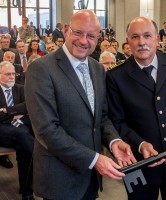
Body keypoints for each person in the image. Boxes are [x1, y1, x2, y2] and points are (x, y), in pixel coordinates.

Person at [24, 9, 136, 199]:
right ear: (67, 29)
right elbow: (46, 130)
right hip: (59, 181)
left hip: (90, 179)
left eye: (91, 36)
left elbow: (101, 117)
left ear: (98, 38)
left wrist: (114, 141)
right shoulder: (41, 69)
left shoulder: (97, 69)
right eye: (78, 32)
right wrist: (94, 159)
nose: (84, 41)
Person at [106, 16, 166, 200]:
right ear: (128, 41)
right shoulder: (116, 76)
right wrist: (141, 144)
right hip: (139, 163)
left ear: (157, 39)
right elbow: (117, 121)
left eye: (147, 36)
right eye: (135, 37)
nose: (142, 42)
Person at [0, 61, 34, 200]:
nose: (12, 77)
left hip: (21, 129)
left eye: (14, 73)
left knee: (24, 145)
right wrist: (16, 115)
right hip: (2, 130)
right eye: (8, 74)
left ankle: (26, 191)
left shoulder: (21, 88)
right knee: (25, 136)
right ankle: (28, 191)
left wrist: (7, 111)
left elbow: (29, 106)